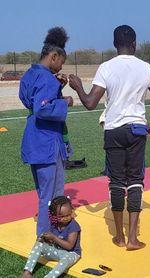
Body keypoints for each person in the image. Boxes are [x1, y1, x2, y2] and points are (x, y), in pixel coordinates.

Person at [68, 25, 150, 250]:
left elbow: (90, 103)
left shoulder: (105, 67)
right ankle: (133, 239)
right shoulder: (146, 68)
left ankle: (119, 236)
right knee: (135, 181)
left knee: (116, 182)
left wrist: (78, 87)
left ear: (115, 45)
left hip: (113, 130)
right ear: (134, 44)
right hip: (136, 129)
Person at [19, 27, 73, 237]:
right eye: (61, 62)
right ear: (53, 56)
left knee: (44, 192)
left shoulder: (29, 74)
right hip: (48, 143)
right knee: (52, 194)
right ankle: (47, 234)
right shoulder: (48, 79)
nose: (60, 67)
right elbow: (43, 108)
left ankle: (49, 231)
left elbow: (30, 102)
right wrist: (65, 101)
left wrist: (56, 89)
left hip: (34, 139)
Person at [22, 196, 81, 278]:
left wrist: (53, 238)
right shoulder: (54, 223)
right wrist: (45, 239)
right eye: (62, 216)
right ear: (54, 216)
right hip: (57, 250)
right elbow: (51, 238)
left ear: (72, 211)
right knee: (39, 243)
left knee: (66, 259)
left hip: (71, 253)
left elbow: (69, 246)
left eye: (68, 214)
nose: (66, 218)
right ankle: (27, 272)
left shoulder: (73, 226)